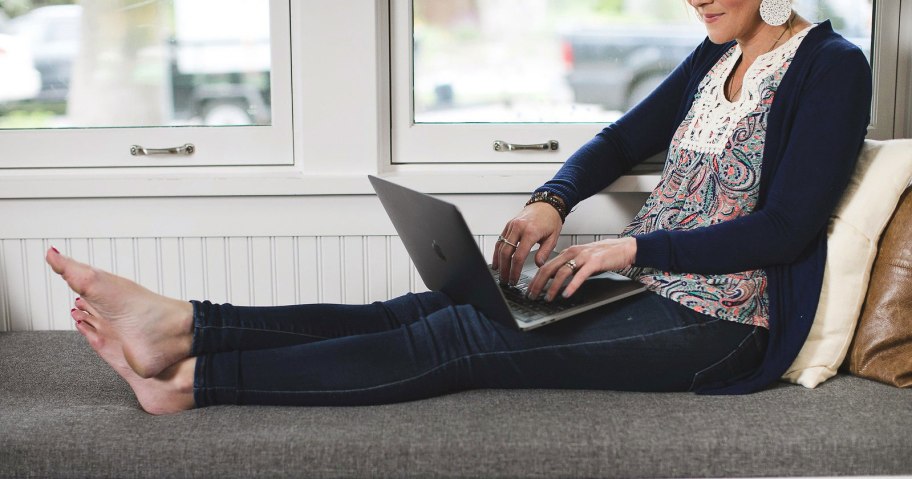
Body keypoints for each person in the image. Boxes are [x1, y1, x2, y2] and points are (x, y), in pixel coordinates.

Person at [46, 0, 871, 415]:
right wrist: (554, 199)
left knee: (462, 339)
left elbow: (786, 228)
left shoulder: (832, 67)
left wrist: (627, 251)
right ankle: (189, 324)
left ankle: (194, 381)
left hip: (724, 324)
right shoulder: (715, 49)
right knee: (427, 303)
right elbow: (619, 141)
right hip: (647, 282)